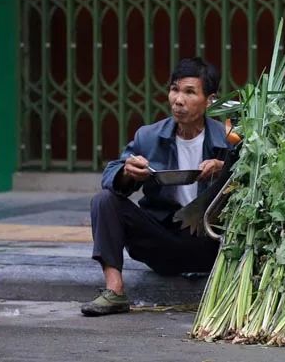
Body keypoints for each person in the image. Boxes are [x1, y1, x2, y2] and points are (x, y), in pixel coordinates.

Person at [80, 57, 234, 316]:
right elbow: (110, 176)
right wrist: (128, 173)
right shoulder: (149, 136)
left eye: (189, 92)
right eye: (174, 89)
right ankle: (114, 290)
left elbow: (254, 184)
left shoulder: (228, 139)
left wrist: (225, 169)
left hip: (210, 243)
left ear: (209, 100)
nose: (178, 100)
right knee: (104, 200)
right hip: (161, 239)